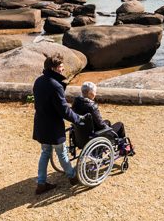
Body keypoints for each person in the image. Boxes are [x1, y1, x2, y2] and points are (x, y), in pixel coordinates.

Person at [32, 53, 88, 194]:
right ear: (53, 68)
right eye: (60, 68)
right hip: (52, 126)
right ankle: (72, 176)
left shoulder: (38, 81)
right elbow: (64, 110)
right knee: (61, 152)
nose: (62, 70)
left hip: (41, 122)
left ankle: (41, 183)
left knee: (45, 152)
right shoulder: (55, 85)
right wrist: (78, 119)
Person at [72, 81, 135, 156]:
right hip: (93, 136)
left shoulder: (76, 102)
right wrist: (110, 130)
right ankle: (123, 148)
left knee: (107, 121)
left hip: (81, 135)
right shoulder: (91, 106)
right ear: (90, 93)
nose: (95, 94)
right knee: (120, 125)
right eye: (94, 92)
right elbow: (101, 125)